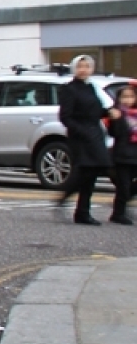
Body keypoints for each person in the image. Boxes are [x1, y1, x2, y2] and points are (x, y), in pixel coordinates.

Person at [56, 54, 112, 225]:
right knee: (86, 172)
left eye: (87, 66)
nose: (83, 70)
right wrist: (82, 131)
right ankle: (77, 207)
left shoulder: (91, 87)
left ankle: (79, 208)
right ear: (74, 68)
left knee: (93, 172)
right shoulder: (69, 89)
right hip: (80, 136)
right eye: (80, 66)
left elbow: (95, 110)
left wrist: (108, 113)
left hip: (95, 133)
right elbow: (65, 116)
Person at [106, 83, 137, 225]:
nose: (127, 100)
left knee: (128, 187)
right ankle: (118, 213)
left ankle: (121, 205)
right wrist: (116, 119)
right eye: (124, 97)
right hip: (123, 155)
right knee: (123, 186)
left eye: (131, 96)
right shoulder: (117, 113)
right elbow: (114, 133)